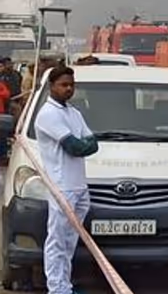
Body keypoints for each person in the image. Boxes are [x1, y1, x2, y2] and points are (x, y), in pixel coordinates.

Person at [34, 65, 98, 294]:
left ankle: (65, 285)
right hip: (62, 187)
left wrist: (84, 145)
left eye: (71, 85)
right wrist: (84, 145)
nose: (68, 89)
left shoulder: (73, 112)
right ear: (52, 86)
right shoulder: (48, 114)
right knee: (57, 241)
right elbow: (76, 147)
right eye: (63, 85)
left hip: (79, 186)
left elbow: (93, 143)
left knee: (69, 241)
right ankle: (56, 289)